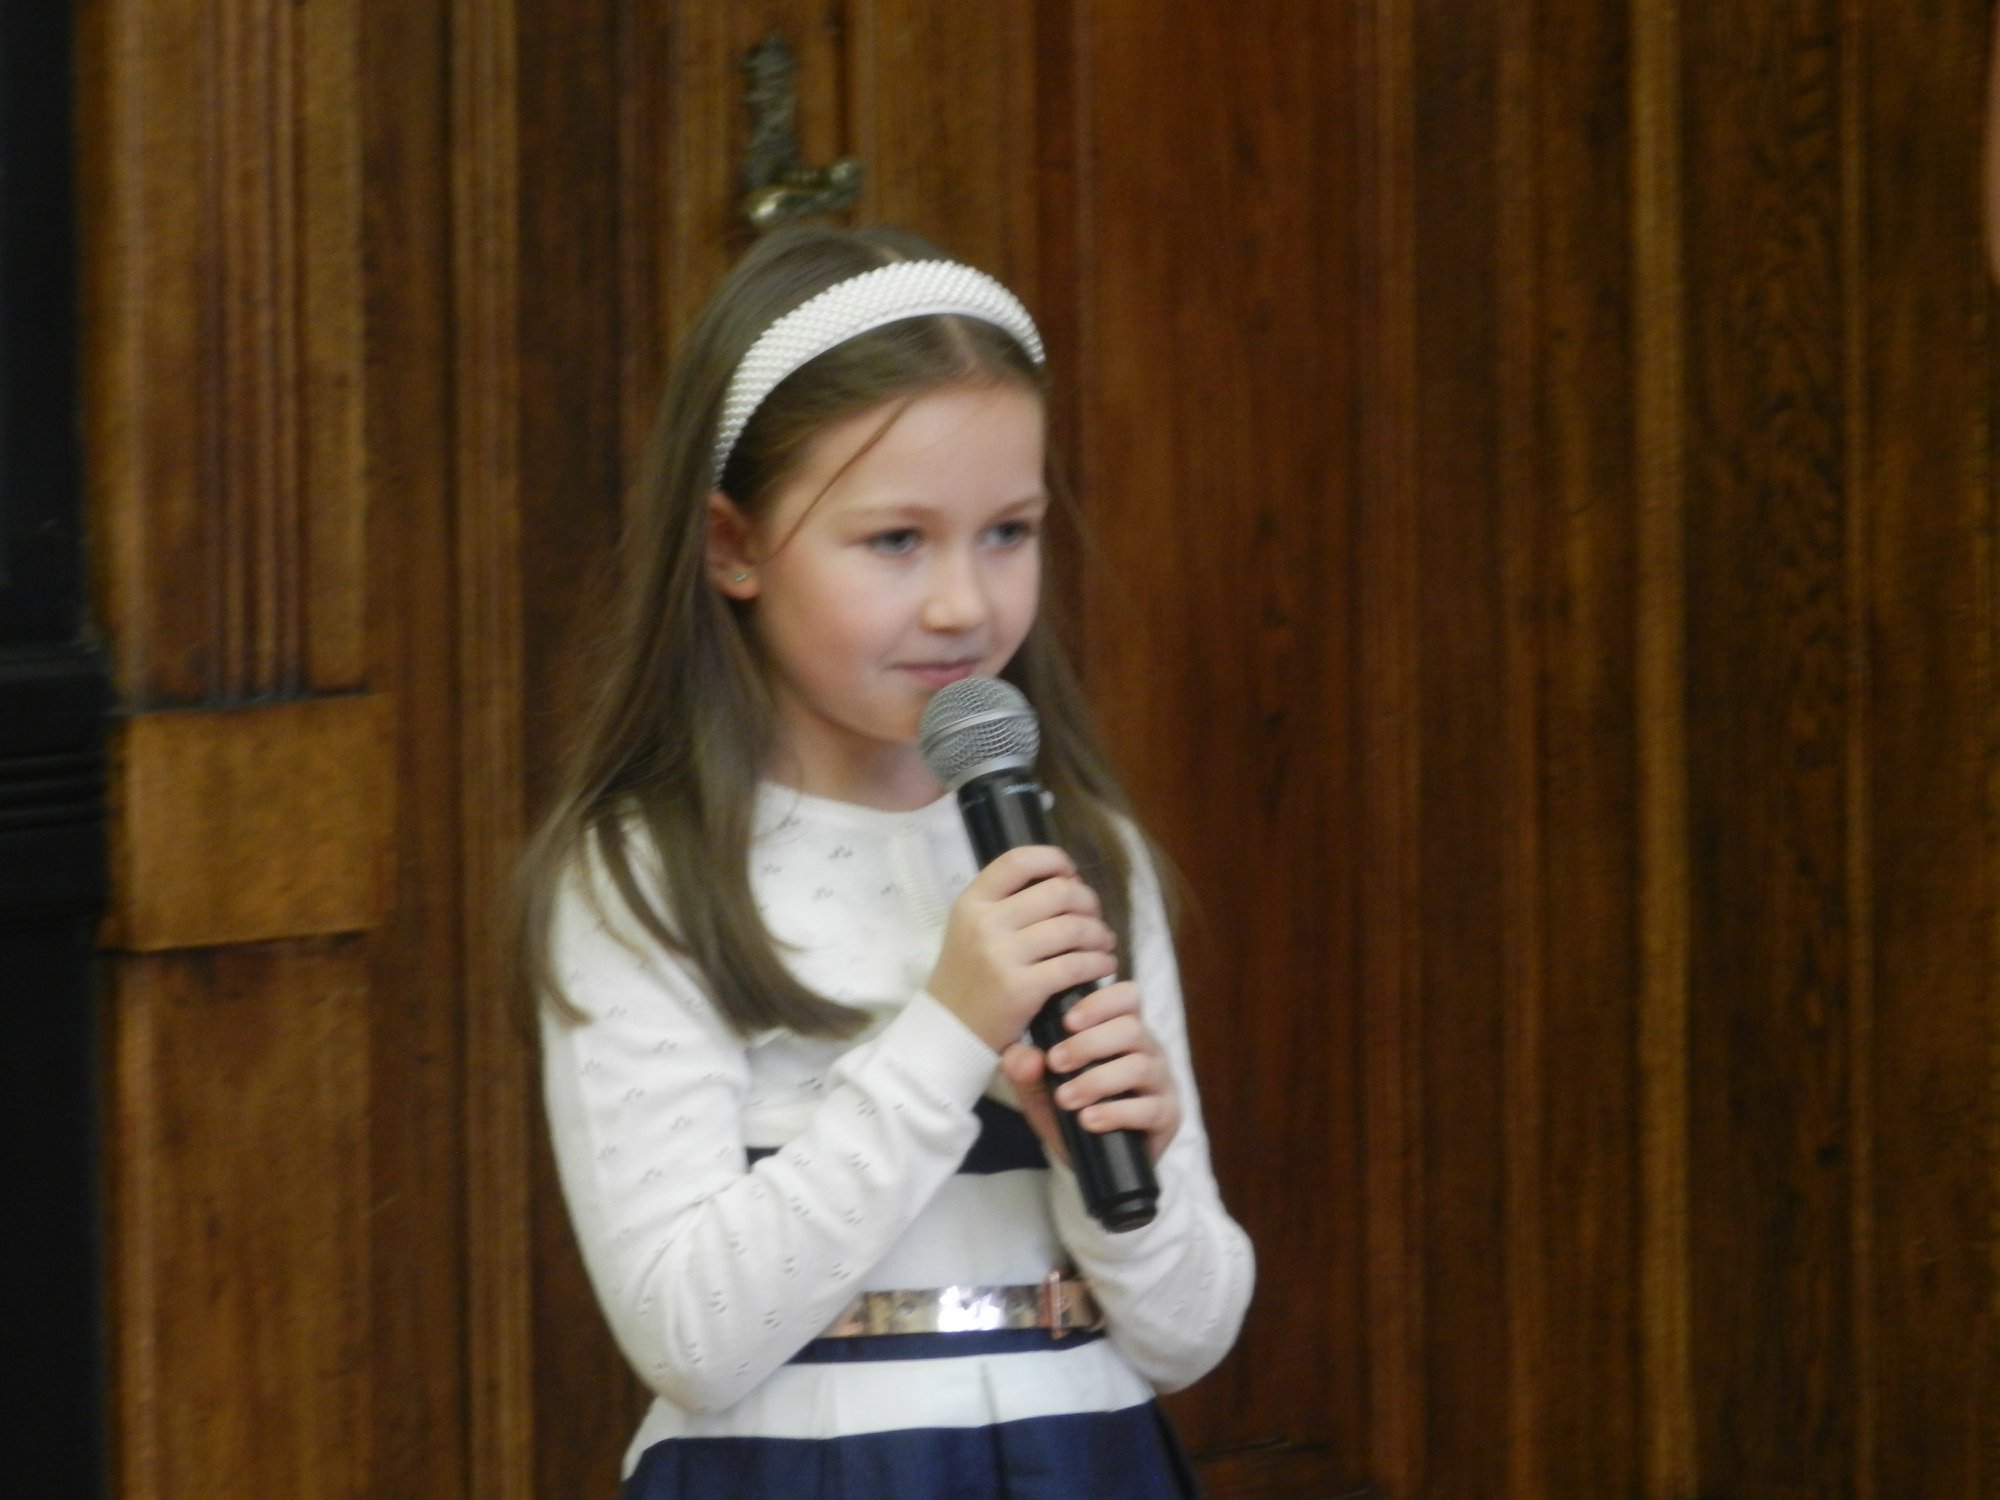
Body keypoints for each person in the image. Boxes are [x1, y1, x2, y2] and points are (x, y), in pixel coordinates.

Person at [517, 222, 1254, 1499]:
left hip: (1084, 1453)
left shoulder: (1085, 859)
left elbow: (1187, 1334)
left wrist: (1111, 1172)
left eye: (1007, 532)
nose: (964, 604)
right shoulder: (651, 876)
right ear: (733, 546)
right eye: (896, 541)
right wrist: (948, 1029)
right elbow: (688, 1337)